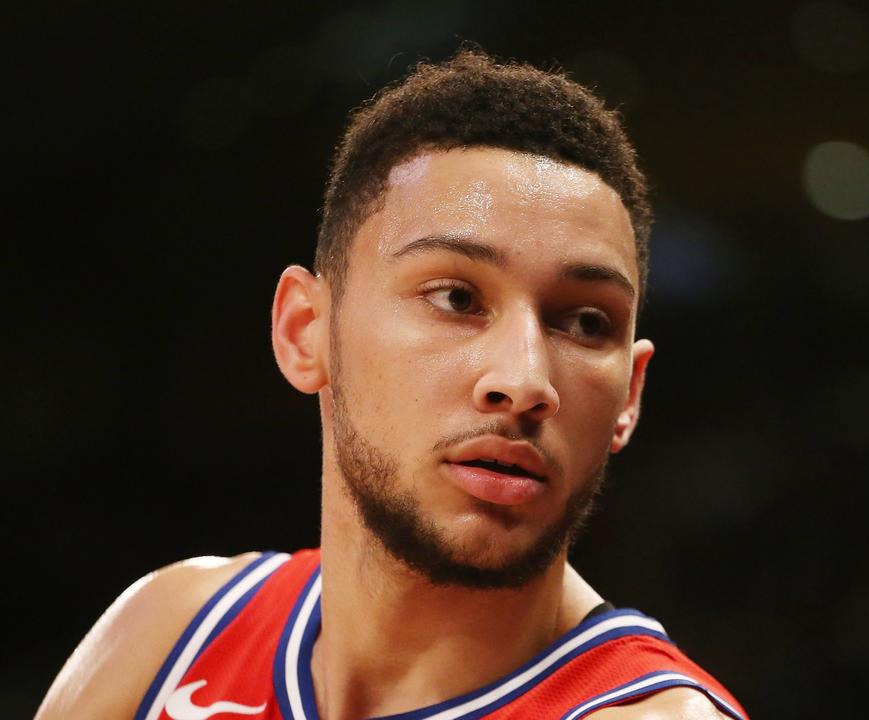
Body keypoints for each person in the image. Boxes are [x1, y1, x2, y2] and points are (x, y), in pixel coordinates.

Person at [36, 50, 747, 720]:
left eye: (586, 322)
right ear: (305, 332)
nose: (525, 381)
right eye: (457, 299)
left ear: (629, 396)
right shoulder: (171, 631)